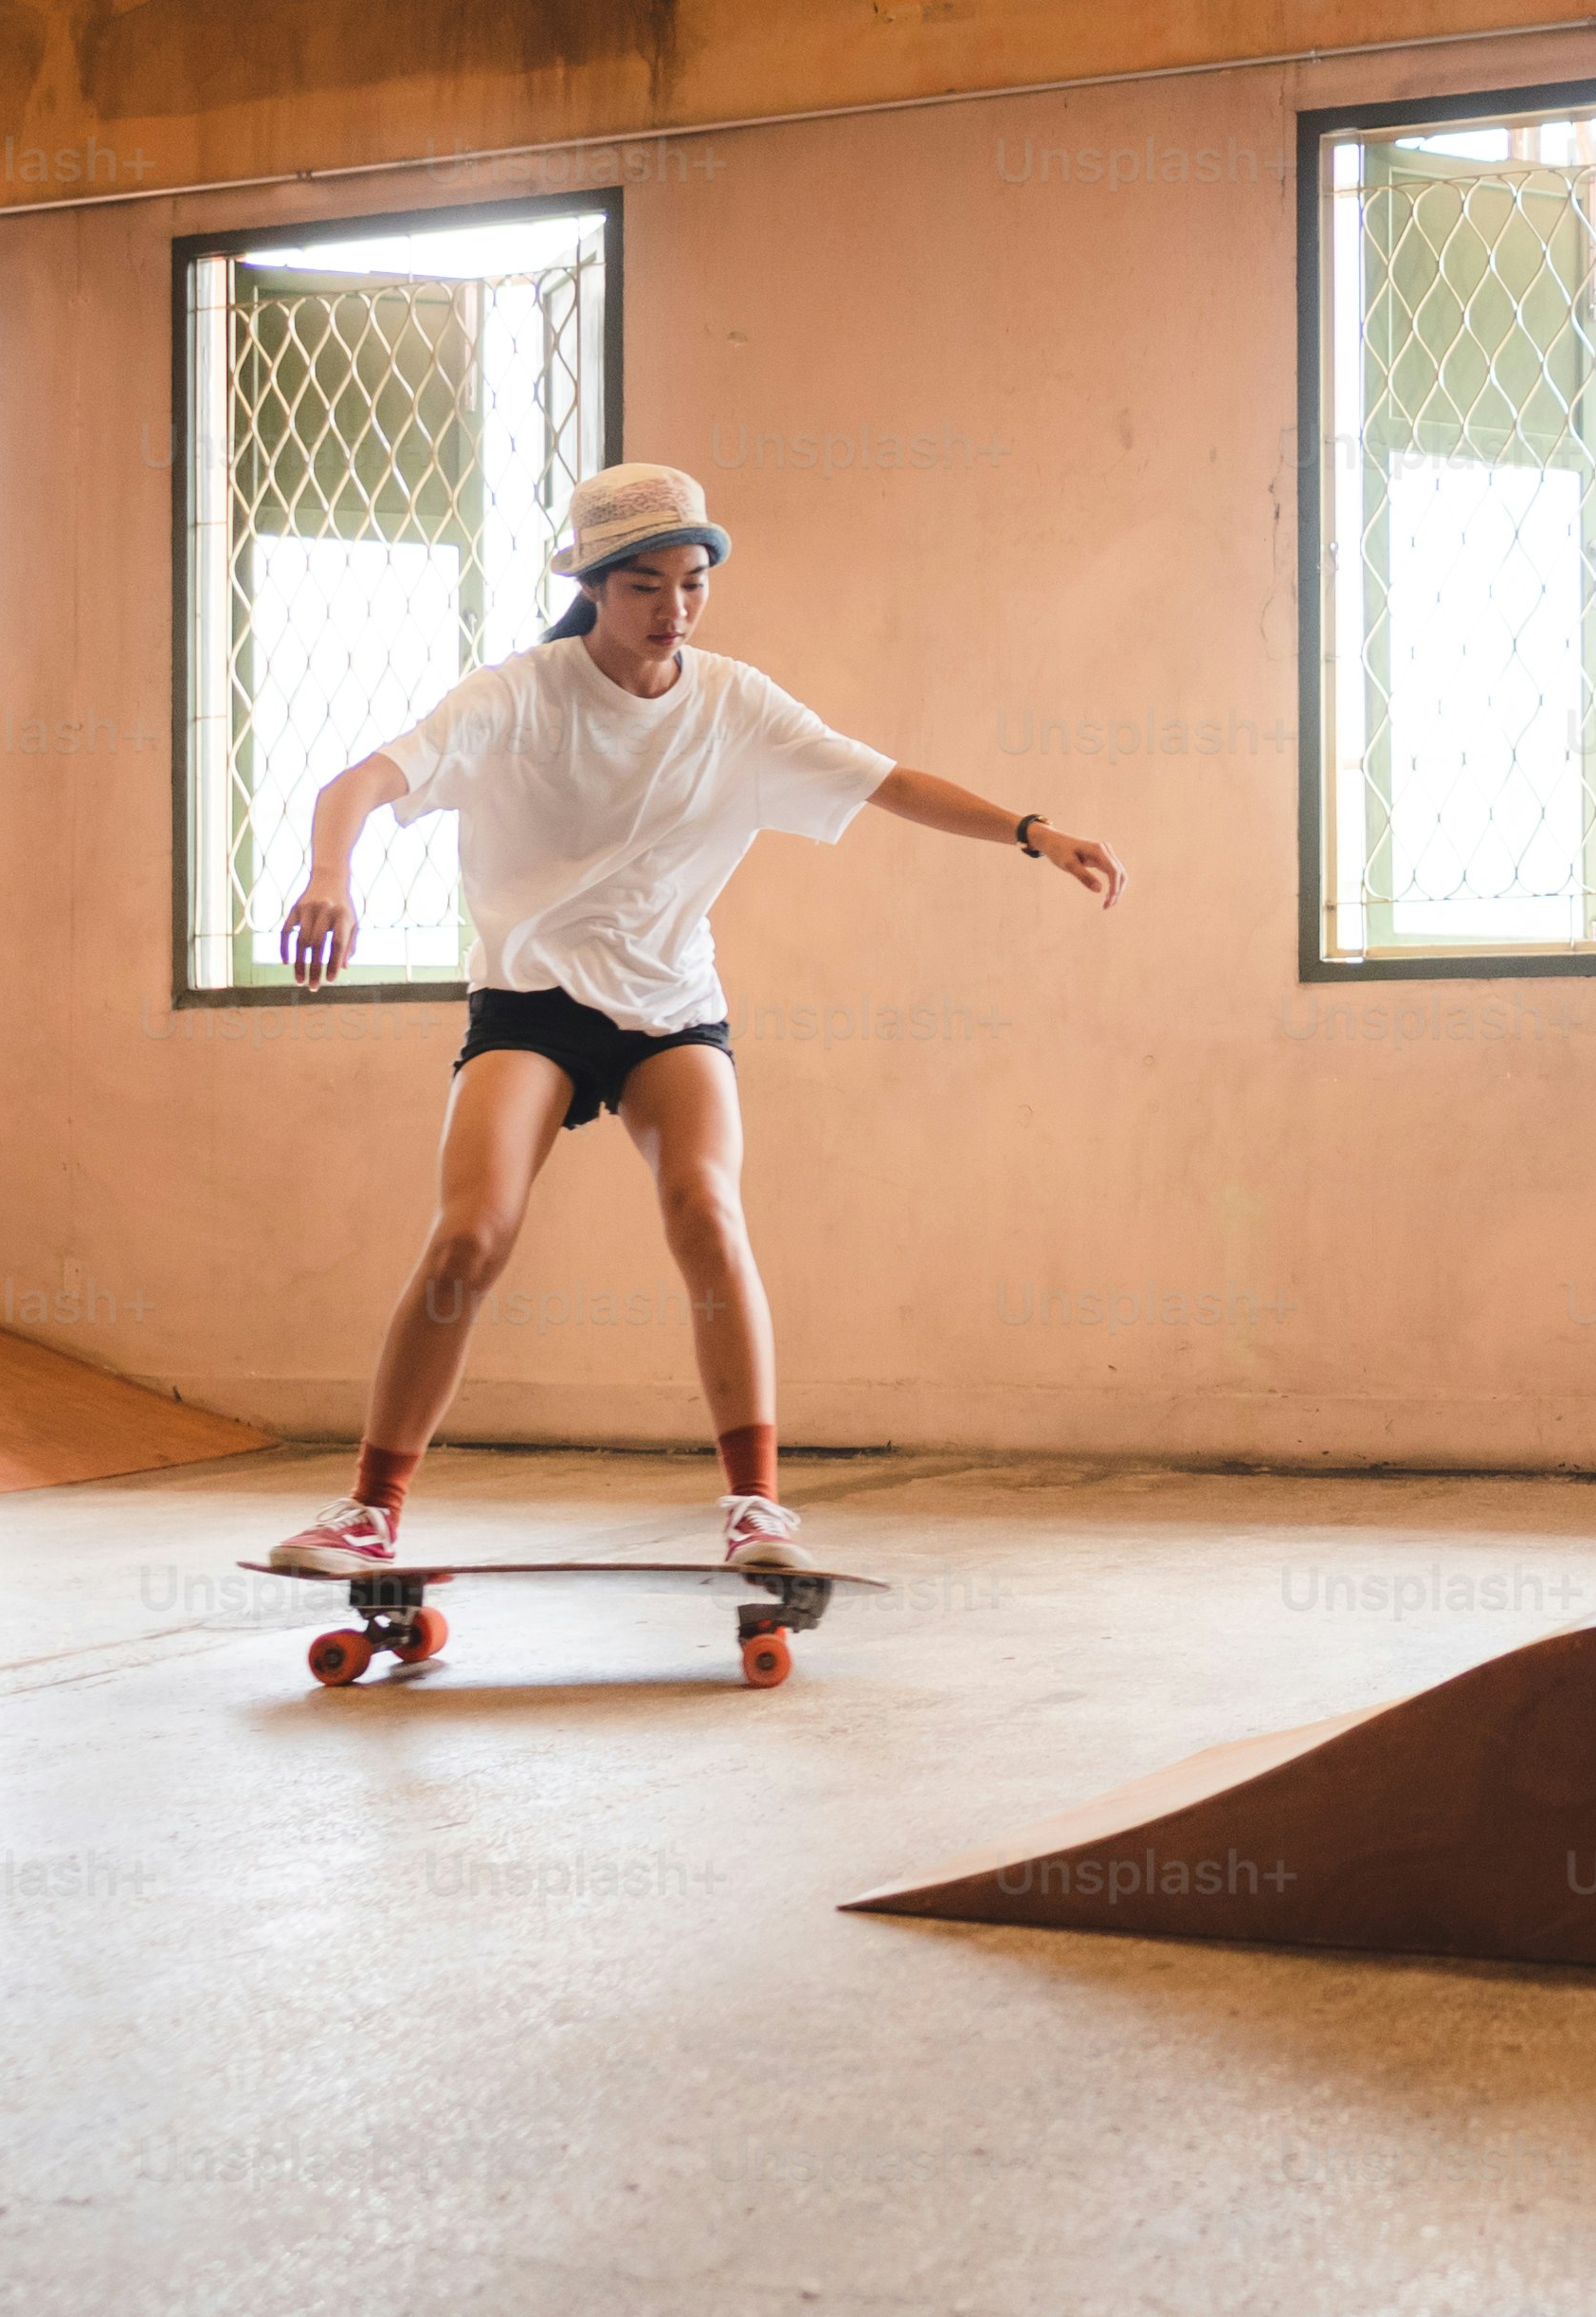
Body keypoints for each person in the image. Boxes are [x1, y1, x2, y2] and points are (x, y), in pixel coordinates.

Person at [267, 461, 1116, 1579]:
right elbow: (361, 780)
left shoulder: (734, 702)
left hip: (671, 1007)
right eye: (644, 587)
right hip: (529, 1000)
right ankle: (370, 1507)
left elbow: (886, 781)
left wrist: (1031, 829)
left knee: (707, 1213)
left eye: (693, 582)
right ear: (589, 584)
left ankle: (757, 1506)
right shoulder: (516, 695)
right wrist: (332, 871)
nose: (673, 610)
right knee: (470, 1232)